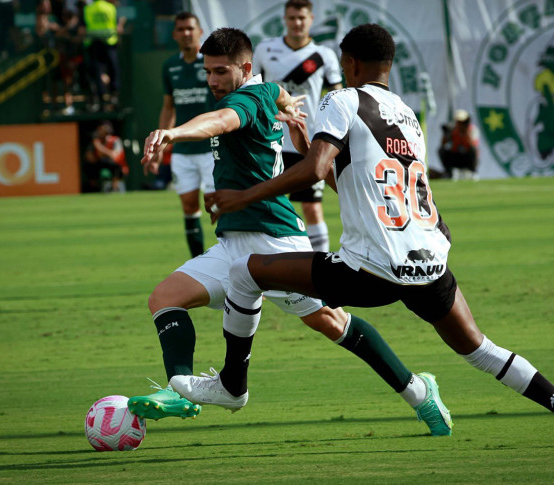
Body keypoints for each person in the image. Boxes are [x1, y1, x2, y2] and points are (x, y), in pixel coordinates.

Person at [180, 24, 554, 446]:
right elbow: (346, 180)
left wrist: (242, 197)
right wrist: (306, 145)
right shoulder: (408, 116)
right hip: (429, 259)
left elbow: (314, 172)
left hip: (370, 267)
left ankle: (232, 385)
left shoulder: (342, 99)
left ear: (348, 63)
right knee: (480, 349)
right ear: (388, 65)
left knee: (244, 272)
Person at [128, 27, 453, 437]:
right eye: (207, 72)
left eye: (219, 72)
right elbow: (276, 92)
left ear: (245, 68)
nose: (211, 80)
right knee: (164, 298)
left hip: (275, 241)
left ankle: (420, 392)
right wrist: (288, 104)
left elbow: (219, 121)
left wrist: (173, 132)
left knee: (330, 322)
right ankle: (179, 388)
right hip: (232, 245)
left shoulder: (247, 98)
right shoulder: (265, 92)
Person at [251, 0, 340, 252]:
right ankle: (266, 270)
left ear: (311, 19)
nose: (297, 23)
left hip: (307, 142)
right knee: (266, 206)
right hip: (271, 142)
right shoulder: (265, 50)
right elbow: (253, 91)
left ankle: (321, 271)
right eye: (292, 18)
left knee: (312, 208)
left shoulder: (324, 55)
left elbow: (338, 96)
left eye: (302, 18)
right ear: (284, 19)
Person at [149, 12, 216, 259]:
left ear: (200, 32)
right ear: (175, 34)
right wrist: (160, 148)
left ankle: (231, 263)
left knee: (216, 206)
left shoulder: (210, 63)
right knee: (189, 207)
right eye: (181, 29)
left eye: (190, 28)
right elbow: (169, 107)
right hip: (182, 151)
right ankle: (199, 265)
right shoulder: (170, 66)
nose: (186, 33)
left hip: (211, 148)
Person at [82, 0, 123, 110]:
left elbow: (84, 28)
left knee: (98, 70)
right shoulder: (110, 7)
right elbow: (117, 26)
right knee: (109, 69)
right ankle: (111, 95)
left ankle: (103, 97)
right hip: (106, 43)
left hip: (98, 43)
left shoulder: (88, 9)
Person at [84, 120, 126, 192]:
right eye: (99, 130)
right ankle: (93, 188)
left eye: (102, 130)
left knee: (116, 166)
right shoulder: (96, 141)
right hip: (100, 163)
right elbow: (89, 156)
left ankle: (114, 187)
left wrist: (99, 147)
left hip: (115, 164)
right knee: (89, 165)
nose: (100, 132)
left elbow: (114, 155)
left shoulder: (115, 140)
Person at [438, 109, 479, 181]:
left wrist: (465, 133)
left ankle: (473, 172)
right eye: (459, 122)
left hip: (467, 157)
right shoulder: (453, 129)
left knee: (474, 150)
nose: (460, 124)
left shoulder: (472, 130)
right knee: (441, 150)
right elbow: (443, 144)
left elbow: (472, 145)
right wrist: (447, 134)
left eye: (462, 122)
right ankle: (449, 173)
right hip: (456, 156)